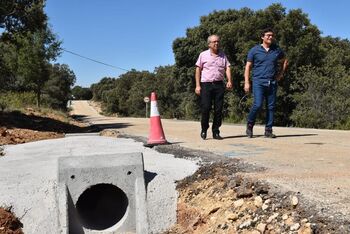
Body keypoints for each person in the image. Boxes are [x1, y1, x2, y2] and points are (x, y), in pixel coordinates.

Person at [244, 28, 288, 138]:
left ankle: (268, 130)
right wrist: (246, 82)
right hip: (258, 81)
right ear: (262, 37)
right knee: (257, 104)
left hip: (272, 82)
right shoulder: (254, 50)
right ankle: (250, 125)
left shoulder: (277, 50)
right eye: (268, 35)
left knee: (271, 107)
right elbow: (248, 66)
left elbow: (285, 61)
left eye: (272, 35)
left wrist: (280, 74)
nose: (270, 37)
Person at [195, 34, 232, 140]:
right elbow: (198, 70)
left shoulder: (223, 55)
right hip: (206, 85)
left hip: (219, 85)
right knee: (206, 108)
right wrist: (197, 85)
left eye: (218, 41)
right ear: (209, 44)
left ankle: (216, 131)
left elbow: (227, 68)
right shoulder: (203, 55)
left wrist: (229, 80)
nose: (217, 43)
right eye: (214, 42)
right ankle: (204, 129)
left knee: (218, 109)